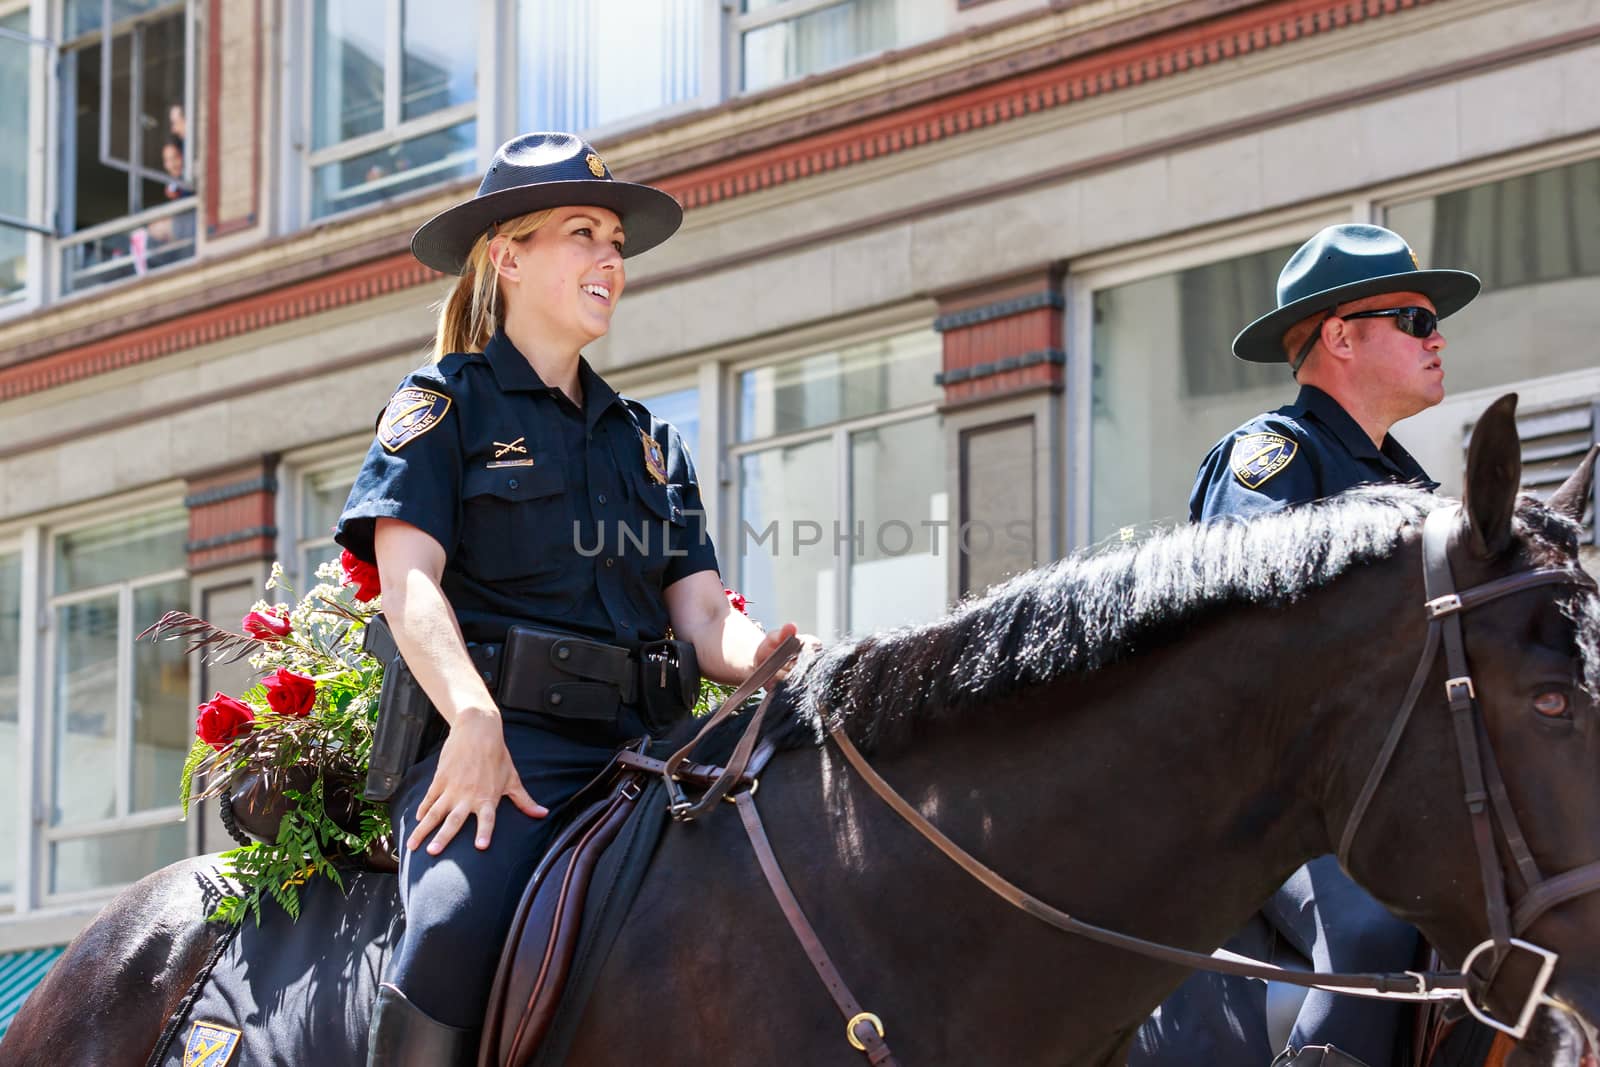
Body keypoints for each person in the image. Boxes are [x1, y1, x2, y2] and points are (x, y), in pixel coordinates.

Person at [334, 132, 806, 1067]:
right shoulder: (444, 403)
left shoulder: (648, 442)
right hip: (512, 758)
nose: (610, 259)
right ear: (507, 256)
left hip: (655, 753)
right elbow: (408, 583)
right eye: (583, 233)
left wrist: (784, 659)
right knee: (452, 932)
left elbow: (706, 619)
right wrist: (470, 717)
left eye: (617, 244)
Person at [1139, 223, 1481, 1067]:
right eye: (1413, 317)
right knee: (1380, 920)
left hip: (1383, 784)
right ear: (1338, 336)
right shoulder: (1272, 455)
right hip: (1269, 790)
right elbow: (1245, 620)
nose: (1437, 337)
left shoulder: (1416, 495)